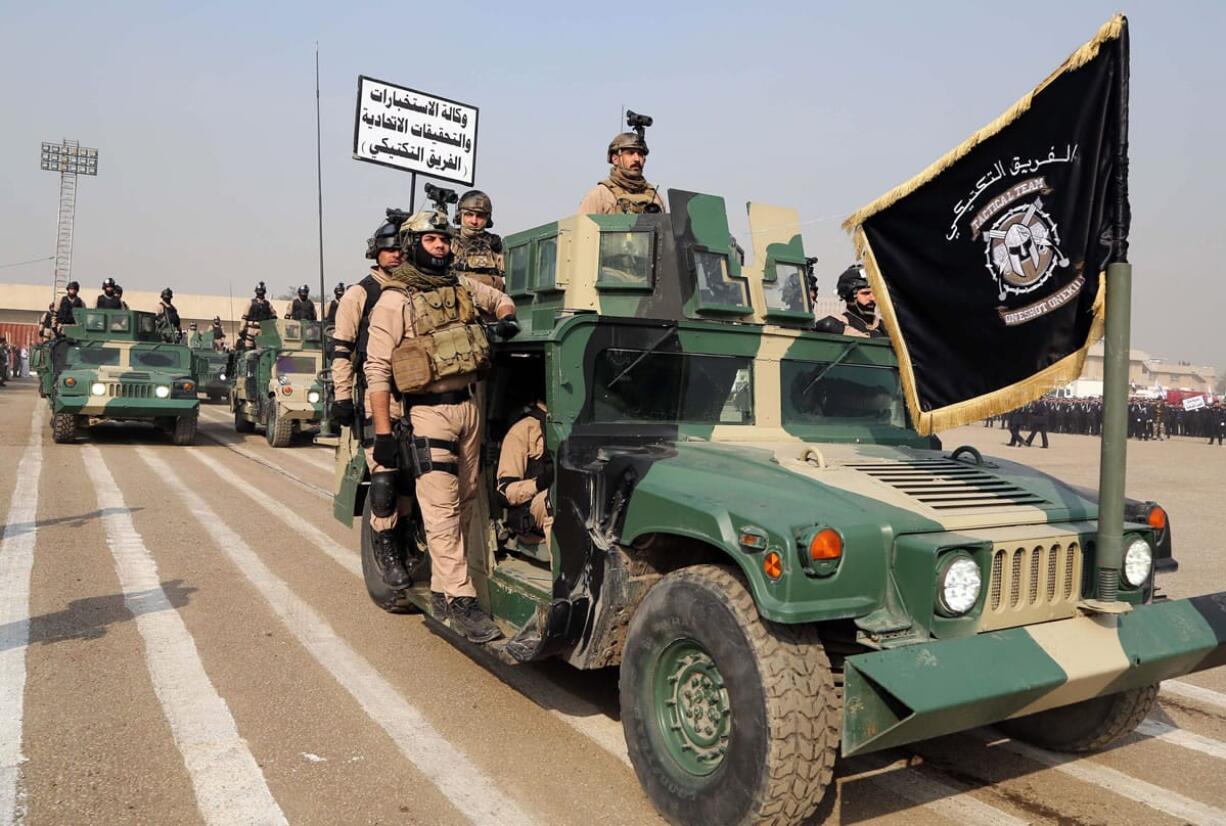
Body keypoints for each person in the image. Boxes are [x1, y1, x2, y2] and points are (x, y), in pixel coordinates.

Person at [364, 206, 518, 643]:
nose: (442, 246)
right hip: (427, 411)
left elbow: (498, 300)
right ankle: (461, 599)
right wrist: (382, 434)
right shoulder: (395, 300)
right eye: (432, 240)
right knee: (442, 506)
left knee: (466, 500)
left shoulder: (461, 286)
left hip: (469, 405)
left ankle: (439, 584)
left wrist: (505, 318)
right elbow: (377, 371)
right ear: (414, 246)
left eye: (445, 240)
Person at [496, 398, 553, 542]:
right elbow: (505, 492)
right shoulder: (526, 429)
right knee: (558, 498)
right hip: (537, 508)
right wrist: (540, 483)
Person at [578, 130, 666, 214]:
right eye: (630, 153)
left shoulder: (656, 198)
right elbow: (583, 228)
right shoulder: (599, 196)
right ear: (615, 159)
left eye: (640, 154)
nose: (637, 159)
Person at [451, 190, 505, 290]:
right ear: (460, 215)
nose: (474, 221)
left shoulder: (495, 246)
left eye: (480, 216)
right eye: (469, 215)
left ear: (487, 219)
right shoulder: (445, 241)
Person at [815, 266, 886, 337]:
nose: (873, 298)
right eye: (866, 293)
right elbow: (825, 325)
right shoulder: (842, 321)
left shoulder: (886, 327)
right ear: (849, 296)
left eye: (875, 293)